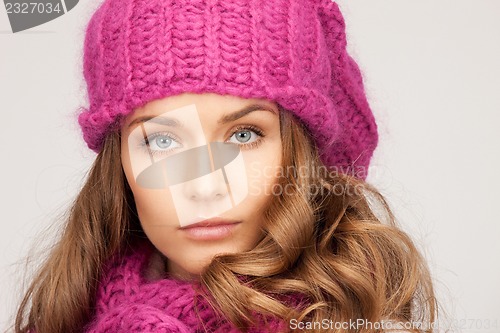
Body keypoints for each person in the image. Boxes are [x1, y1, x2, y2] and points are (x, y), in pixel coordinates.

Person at [12, 0, 437, 332]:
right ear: (118, 161)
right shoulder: (60, 321)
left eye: (244, 135)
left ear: (300, 153)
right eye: (162, 141)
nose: (205, 187)